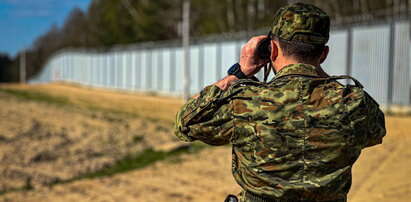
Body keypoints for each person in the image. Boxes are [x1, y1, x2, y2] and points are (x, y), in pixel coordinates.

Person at [174, 2, 386, 202]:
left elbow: (186, 122)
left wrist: (239, 72)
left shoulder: (245, 101)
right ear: (324, 54)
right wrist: (318, 72)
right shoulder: (355, 104)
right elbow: (376, 132)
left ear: (272, 50)